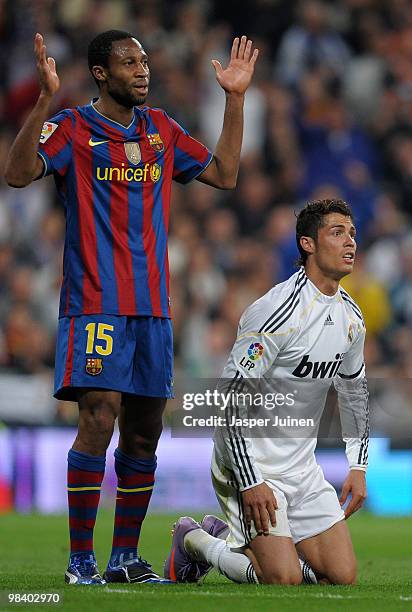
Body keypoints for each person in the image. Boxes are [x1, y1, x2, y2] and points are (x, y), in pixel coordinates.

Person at [4, 30, 258, 585]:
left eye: (144, 60)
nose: (142, 70)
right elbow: (18, 173)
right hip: (93, 304)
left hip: (153, 312)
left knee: (145, 434)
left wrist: (234, 98)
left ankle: (124, 559)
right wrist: (44, 100)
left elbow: (225, 173)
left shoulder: (161, 130)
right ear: (100, 72)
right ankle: (80, 562)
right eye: (128, 62)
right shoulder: (72, 127)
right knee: (98, 417)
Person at [165, 198, 369, 585]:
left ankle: (241, 540)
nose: (350, 243)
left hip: (301, 468)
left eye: (353, 234)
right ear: (307, 244)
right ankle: (193, 539)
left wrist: (358, 466)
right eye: (337, 233)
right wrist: (251, 481)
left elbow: (354, 393)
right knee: (282, 579)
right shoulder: (276, 312)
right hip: (249, 463)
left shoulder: (351, 318)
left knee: (341, 577)